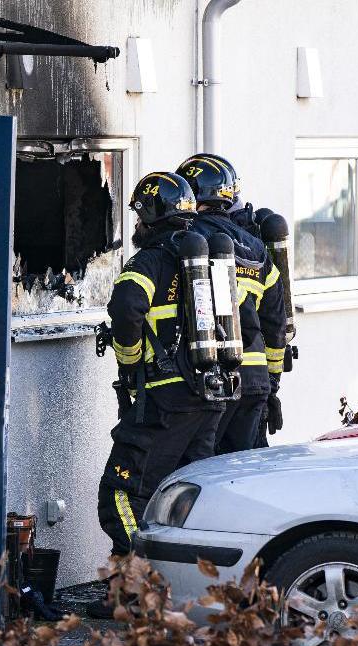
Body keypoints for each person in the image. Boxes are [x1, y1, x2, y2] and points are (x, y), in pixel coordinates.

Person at [89, 173, 226, 619]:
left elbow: (127, 309)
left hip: (164, 397)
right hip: (210, 394)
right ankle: (189, 594)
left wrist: (129, 365)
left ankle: (135, 594)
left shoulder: (148, 261)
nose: (135, 224)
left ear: (150, 215)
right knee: (185, 495)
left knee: (122, 494)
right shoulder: (207, 255)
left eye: (138, 214)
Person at [175, 155, 286, 454]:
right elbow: (275, 326)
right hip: (255, 381)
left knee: (202, 478)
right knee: (247, 478)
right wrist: (272, 385)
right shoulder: (258, 248)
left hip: (210, 380)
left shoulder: (189, 241)